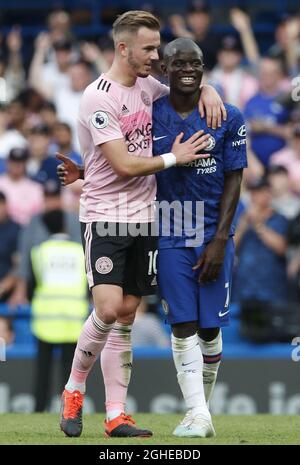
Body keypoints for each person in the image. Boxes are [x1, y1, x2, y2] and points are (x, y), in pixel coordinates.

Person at [57, 10, 226, 439]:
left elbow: (185, 84)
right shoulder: (99, 97)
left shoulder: (150, 86)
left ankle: (116, 414)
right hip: (105, 214)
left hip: (146, 216)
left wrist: (208, 87)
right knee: (108, 309)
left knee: (128, 314)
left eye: (157, 47)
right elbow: (124, 163)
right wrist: (175, 158)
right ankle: (74, 388)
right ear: (123, 48)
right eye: (149, 48)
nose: (157, 56)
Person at [152, 38, 247, 437]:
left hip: (213, 231)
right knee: (182, 324)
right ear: (164, 69)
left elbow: (234, 178)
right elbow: (124, 157)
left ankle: (200, 412)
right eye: (179, 63)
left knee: (210, 330)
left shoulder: (228, 115)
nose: (188, 70)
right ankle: (199, 415)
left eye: (196, 64)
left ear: (205, 68)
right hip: (170, 228)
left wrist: (221, 239)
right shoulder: (149, 113)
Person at [29, 209, 89, 412]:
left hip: (45, 320)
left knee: (42, 371)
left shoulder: (39, 252)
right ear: (64, 224)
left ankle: (39, 409)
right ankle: (70, 412)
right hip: (73, 320)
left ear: (45, 227)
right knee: (70, 372)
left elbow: (31, 285)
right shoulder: (79, 251)